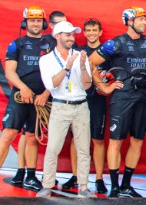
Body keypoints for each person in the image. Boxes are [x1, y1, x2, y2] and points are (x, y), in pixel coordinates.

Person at [89, 6, 146, 197]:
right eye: (140, 19)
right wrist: (104, 87)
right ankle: (114, 187)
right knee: (116, 141)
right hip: (121, 98)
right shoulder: (116, 43)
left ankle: (126, 185)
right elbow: (90, 63)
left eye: (145, 19)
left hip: (143, 97)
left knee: (137, 141)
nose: (144, 22)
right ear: (129, 21)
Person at [36, 21, 95, 197]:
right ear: (57, 36)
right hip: (60, 105)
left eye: (72, 34)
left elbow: (87, 86)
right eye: (67, 34)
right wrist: (68, 66)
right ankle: (47, 184)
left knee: (84, 147)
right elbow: (51, 84)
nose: (71, 37)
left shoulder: (80, 55)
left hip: (81, 105)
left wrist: (84, 66)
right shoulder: (46, 60)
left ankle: (83, 187)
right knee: (53, 147)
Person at [0, 6, 54, 191]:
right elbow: (10, 71)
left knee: (32, 137)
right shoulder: (17, 44)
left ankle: (31, 176)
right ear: (25, 23)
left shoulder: (51, 45)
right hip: (20, 97)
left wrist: (46, 94)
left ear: (44, 23)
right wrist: (23, 88)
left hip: (41, 99)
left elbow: (57, 72)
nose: (36, 23)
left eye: (39, 20)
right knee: (8, 134)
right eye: (32, 20)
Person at [61, 18, 109, 194]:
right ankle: (75, 176)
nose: (91, 33)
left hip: (97, 101)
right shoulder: (77, 51)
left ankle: (99, 178)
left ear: (100, 32)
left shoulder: (107, 52)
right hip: (79, 100)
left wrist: (107, 86)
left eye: (94, 30)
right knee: (76, 139)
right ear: (84, 32)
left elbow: (111, 75)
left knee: (97, 139)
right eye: (88, 30)